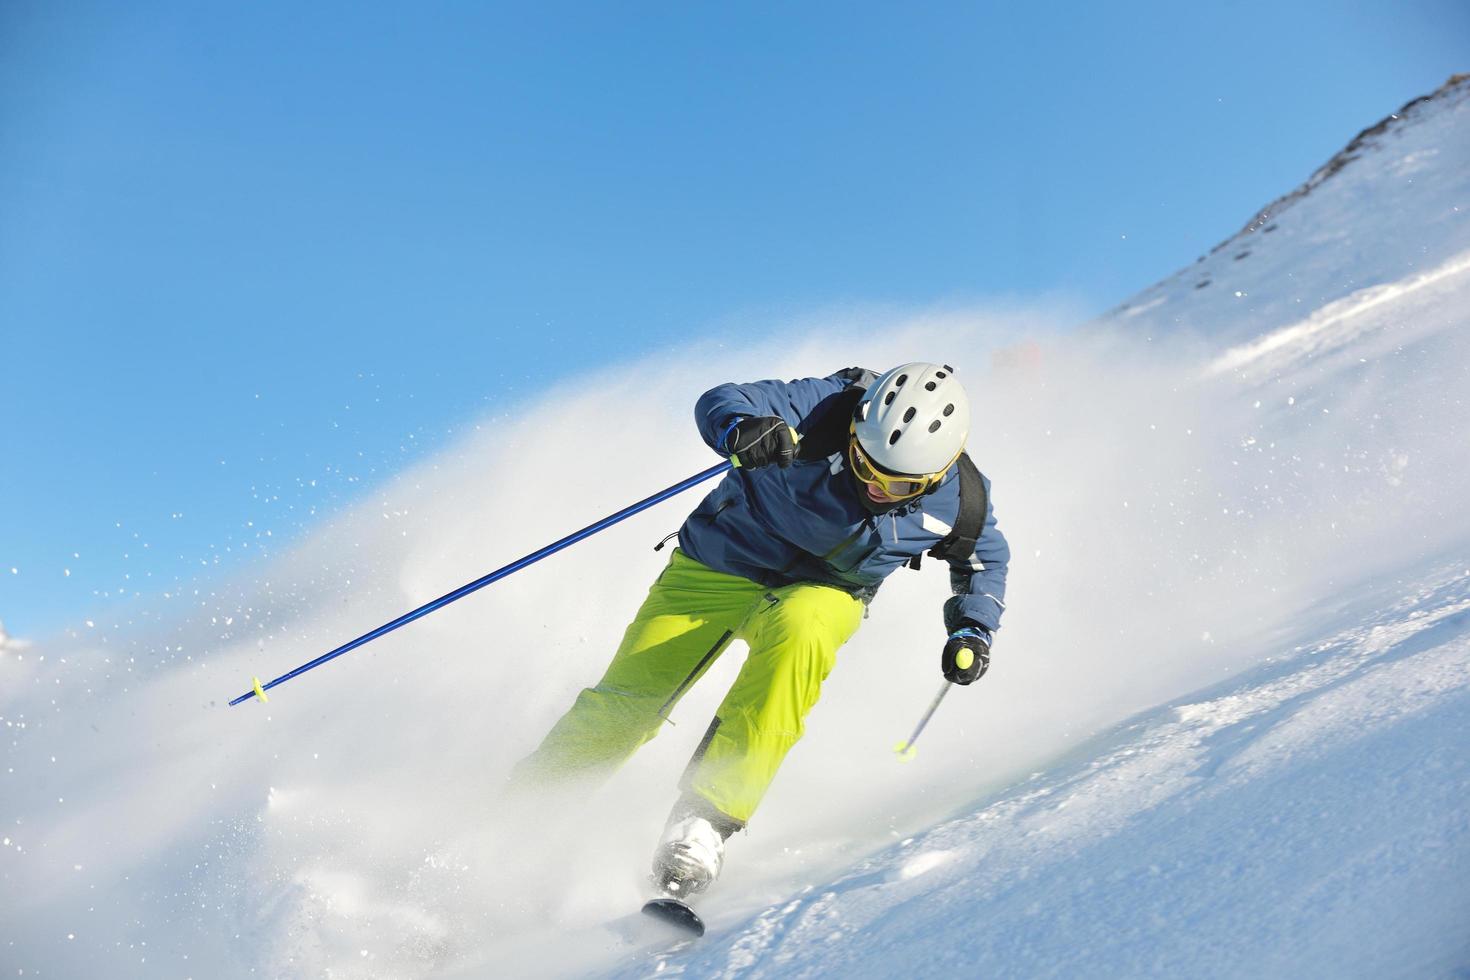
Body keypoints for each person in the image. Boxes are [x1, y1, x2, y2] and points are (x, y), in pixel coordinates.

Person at [510, 362, 1010, 900]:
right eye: (866, 466)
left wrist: (972, 629)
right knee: (628, 700)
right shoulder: (826, 408)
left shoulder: (962, 500)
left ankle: (703, 824)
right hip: (719, 561)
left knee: (803, 634)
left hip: (826, 590)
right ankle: (519, 818)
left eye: (900, 484)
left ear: (937, 473)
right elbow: (723, 398)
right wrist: (740, 428)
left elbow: (984, 566)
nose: (876, 488)